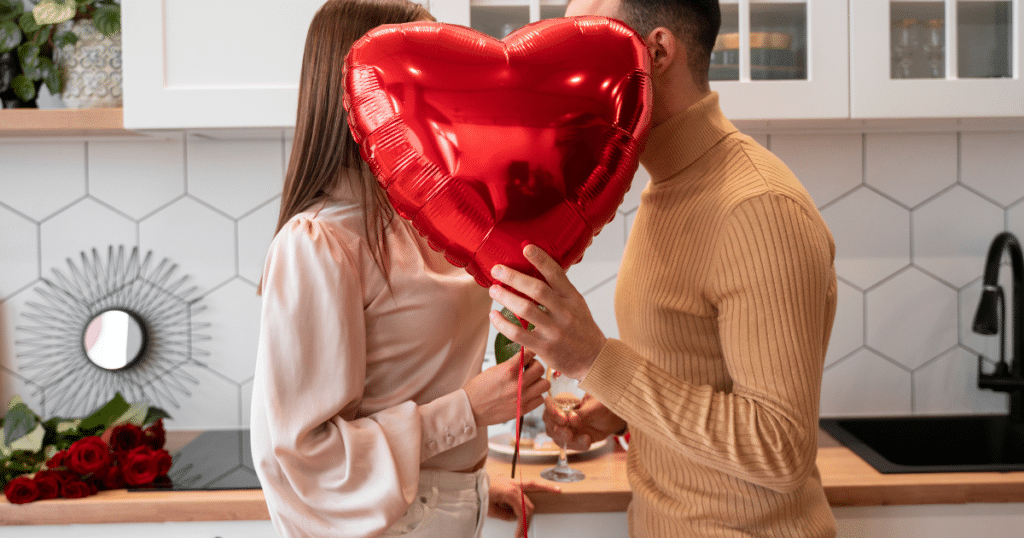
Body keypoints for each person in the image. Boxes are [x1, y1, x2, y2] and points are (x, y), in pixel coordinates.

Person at [487, 0, 839, 537]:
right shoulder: (668, 186)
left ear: (655, 51)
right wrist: (620, 411)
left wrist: (598, 361)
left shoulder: (757, 206)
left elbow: (779, 449)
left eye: (584, 43)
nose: (564, 73)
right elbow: (696, 370)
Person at [249, 1, 555, 537]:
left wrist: (473, 488)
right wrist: (470, 409)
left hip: (439, 508)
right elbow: (305, 454)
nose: (444, 90)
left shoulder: (427, 217)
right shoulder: (320, 242)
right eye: (423, 70)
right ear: (362, 85)